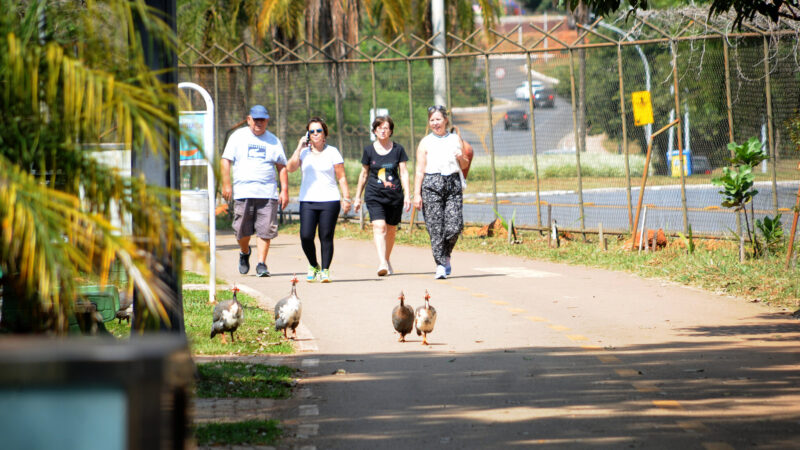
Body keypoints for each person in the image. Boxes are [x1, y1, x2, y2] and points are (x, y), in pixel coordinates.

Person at [221, 105, 289, 277]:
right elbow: (225, 160)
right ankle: (244, 252)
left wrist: (284, 190)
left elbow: (282, 166)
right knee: (241, 230)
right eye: (256, 119)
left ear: (267, 120)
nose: (259, 123)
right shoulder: (238, 137)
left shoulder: (273, 140)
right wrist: (226, 184)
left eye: (262, 120)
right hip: (244, 192)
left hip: (267, 193)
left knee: (266, 229)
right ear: (249, 119)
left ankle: (261, 264)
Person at [287, 117, 351, 283]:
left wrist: (346, 198)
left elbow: (342, 177)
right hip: (308, 200)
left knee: (326, 236)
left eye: (318, 131)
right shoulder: (303, 152)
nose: (315, 134)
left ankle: (325, 270)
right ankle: (313, 264)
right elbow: (290, 168)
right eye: (311, 131)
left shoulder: (333, 152)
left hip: (329, 200)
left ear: (324, 134)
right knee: (306, 236)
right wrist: (298, 148)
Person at [413, 105, 470, 279]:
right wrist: (416, 194)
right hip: (431, 184)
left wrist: (461, 157)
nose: (435, 123)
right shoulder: (425, 142)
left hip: (452, 183)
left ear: (445, 120)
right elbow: (419, 170)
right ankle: (440, 265)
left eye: (438, 119)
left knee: (455, 226)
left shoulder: (454, 139)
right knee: (435, 227)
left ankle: (446, 255)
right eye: (432, 120)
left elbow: (466, 164)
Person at [353, 116, 411, 276]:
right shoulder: (369, 150)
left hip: (394, 196)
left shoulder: (398, 150)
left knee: (391, 229)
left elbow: (404, 172)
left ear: (391, 131)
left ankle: (386, 259)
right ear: (374, 131)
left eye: (386, 128)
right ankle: (382, 262)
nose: (383, 130)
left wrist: (408, 195)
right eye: (379, 128)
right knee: (380, 226)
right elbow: (364, 174)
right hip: (374, 195)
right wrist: (357, 196)